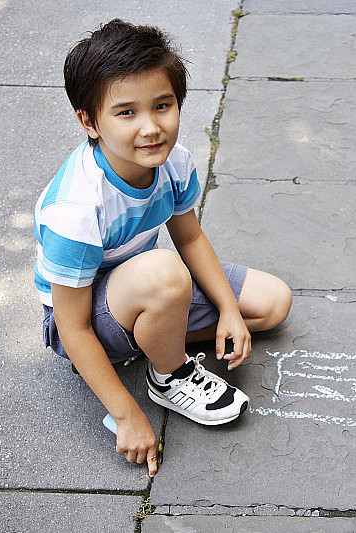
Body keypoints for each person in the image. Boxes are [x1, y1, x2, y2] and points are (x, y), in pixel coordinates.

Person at [34, 19, 291, 477]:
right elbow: (71, 326)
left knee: (271, 304)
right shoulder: (77, 209)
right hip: (83, 319)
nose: (152, 128)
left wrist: (229, 309)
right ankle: (168, 374)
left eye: (163, 105)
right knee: (164, 272)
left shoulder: (173, 162)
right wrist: (129, 416)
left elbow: (189, 235)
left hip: (147, 284)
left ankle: (154, 335)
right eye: (126, 112)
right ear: (89, 121)